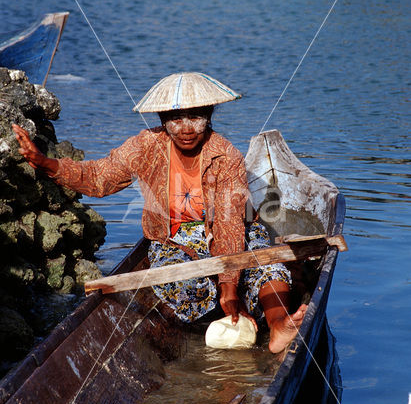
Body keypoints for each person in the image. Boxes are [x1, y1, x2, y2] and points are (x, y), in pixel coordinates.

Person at [12, 72, 307, 354]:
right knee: (176, 283)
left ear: (209, 116)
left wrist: (229, 284)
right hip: (173, 239)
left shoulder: (225, 155)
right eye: (176, 119)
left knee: (266, 265)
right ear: (162, 120)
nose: (186, 128)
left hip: (230, 232)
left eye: (196, 117)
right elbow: (99, 176)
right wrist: (44, 162)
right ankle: (228, 307)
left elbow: (230, 223)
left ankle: (278, 324)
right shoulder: (146, 146)